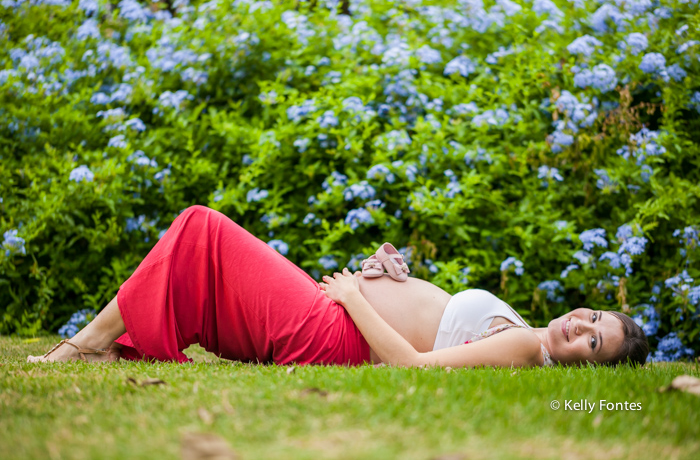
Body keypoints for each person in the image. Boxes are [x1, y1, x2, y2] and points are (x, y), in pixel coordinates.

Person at [28, 205, 649, 368]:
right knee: (201, 246)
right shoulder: (525, 326)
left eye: (594, 343)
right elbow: (433, 322)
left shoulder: (524, 349)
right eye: (595, 316)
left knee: (201, 229)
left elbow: (414, 365)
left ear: (585, 369)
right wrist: (386, 271)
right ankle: (96, 341)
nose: (582, 325)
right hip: (340, 315)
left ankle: (83, 344)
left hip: (336, 333)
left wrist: (355, 298)